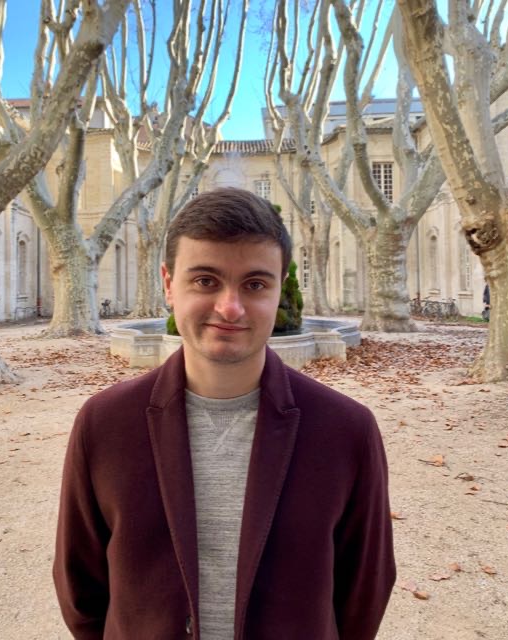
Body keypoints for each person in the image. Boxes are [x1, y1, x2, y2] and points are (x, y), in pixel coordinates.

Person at [53, 187, 396, 639]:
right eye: (205, 281)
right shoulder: (104, 424)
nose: (230, 308)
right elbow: (80, 588)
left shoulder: (346, 430)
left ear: (280, 289)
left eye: (254, 284)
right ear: (168, 284)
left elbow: (364, 592)